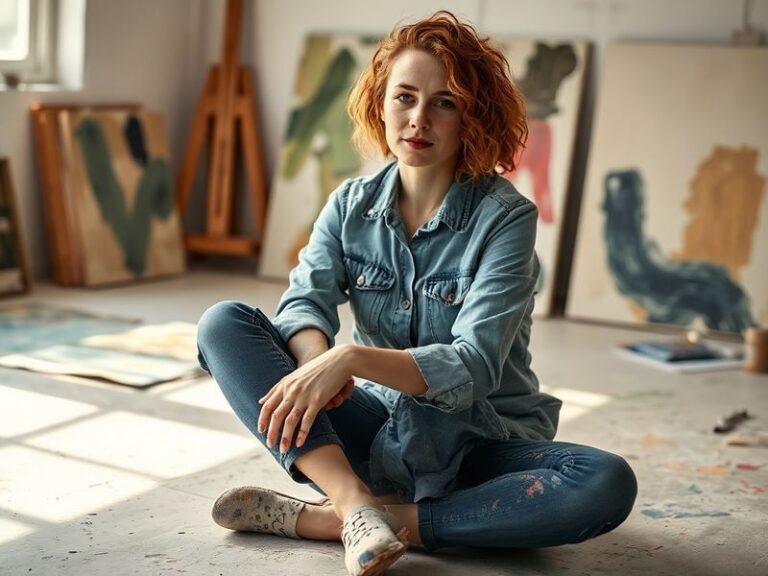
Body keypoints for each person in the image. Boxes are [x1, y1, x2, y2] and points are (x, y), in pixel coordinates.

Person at [196, 11, 637, 576]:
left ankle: (337, 519)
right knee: (223, 323)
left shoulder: (507, 218)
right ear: (380, 103)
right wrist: (316, 365)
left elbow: (474, 365)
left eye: (444, 102)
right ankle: (353, 501)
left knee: (604, 482)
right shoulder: (349, 205)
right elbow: (305, 302)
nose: (418, 119)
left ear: (472, 116)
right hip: (377, 431)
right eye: (404, 97)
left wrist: (349, 359)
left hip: (482, 442)